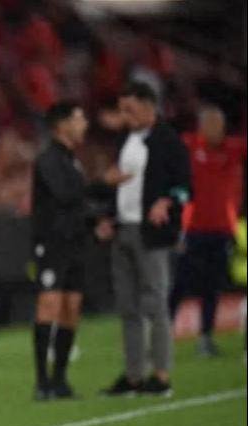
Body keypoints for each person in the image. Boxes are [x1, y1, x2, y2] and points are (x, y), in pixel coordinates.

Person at [101, 81, 191, 397]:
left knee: (155, 302)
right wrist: (109, 213)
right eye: (122, 110)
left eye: (130, 109)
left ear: (149, 106)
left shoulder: (168, 140)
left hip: (151, 233)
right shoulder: (125, 139)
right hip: (123, 228)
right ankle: (134, 375)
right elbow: (120, 184)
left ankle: (161, 375)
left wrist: (166, 201)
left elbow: (185, 187)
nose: (125, 116)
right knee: (128, 306)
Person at [30, 101, 94, 400]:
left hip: (76, 243)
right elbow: (67, 196)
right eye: (79, 118)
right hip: (53, 244)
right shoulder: (48, 160)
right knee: (49, 306)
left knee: (71, 308)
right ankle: (42, 383)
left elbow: (78, 203)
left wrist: (95, 220)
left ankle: (60, 380)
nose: (84, 124)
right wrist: (102, 186)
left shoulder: (72, 160)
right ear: (62, 125)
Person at [169, 106, 245, 356]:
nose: (216, 129)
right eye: (211, 124)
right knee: (180, 283)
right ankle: (162, 335)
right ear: (201, 127)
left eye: (219, 124)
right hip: (192, 230)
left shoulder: (232, 149)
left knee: (212, 286)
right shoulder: (187, 146)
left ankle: (205, 338)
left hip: (221, 230)